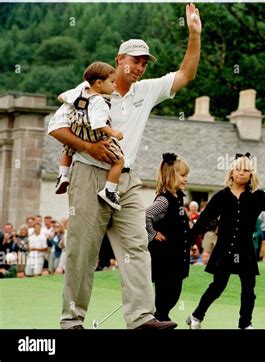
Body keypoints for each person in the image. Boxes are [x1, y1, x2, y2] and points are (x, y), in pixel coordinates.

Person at [48, 3, 201, 330]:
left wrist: (194, 34)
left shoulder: (146, 91)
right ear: (119, 60)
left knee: (136, 247)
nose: (140, 67)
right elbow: (56, 128)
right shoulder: (87, 90)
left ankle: (141, 318)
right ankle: (71, 321)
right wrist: (89, 146)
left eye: (144, 63)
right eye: (135, 61)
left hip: (127, 180)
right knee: (83, 253)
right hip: (88, 174)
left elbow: (187, 74)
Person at [186, 153, 265, 329]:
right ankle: (196, 316)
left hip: (246, 251)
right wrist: (188, 241)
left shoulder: (257, 197)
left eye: (246, 170)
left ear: (251, 174)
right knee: (218, 286)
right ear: (231, 173)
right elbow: (203, 221)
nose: (242, 173)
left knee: (248, 290)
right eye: (238, 169)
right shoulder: (221, 196)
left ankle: (245, 324)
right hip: (224, 250)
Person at [54, 62, 125, 210]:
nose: (114, 85)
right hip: (94, 136)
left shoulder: (79, 94)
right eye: (112, 82)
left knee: (68, 147)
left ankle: (62, 174)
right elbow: (98, 123)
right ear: (99, 83)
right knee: (119, 161)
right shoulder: (99, 101)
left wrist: (65, 99)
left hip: (77, 131)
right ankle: (110, 190)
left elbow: (61, 97)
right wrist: (113, 133)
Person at [145, 153, 191, 324]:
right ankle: (160, 319)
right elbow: (145, 215)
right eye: (183, 175)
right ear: (171, 175)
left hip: (177, 258)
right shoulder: (164, 200)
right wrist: (153, 234)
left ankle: (161, 317)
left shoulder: (178, 199)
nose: (186, 179)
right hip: (165, 259)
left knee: (174, 293)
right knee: (166, 294)